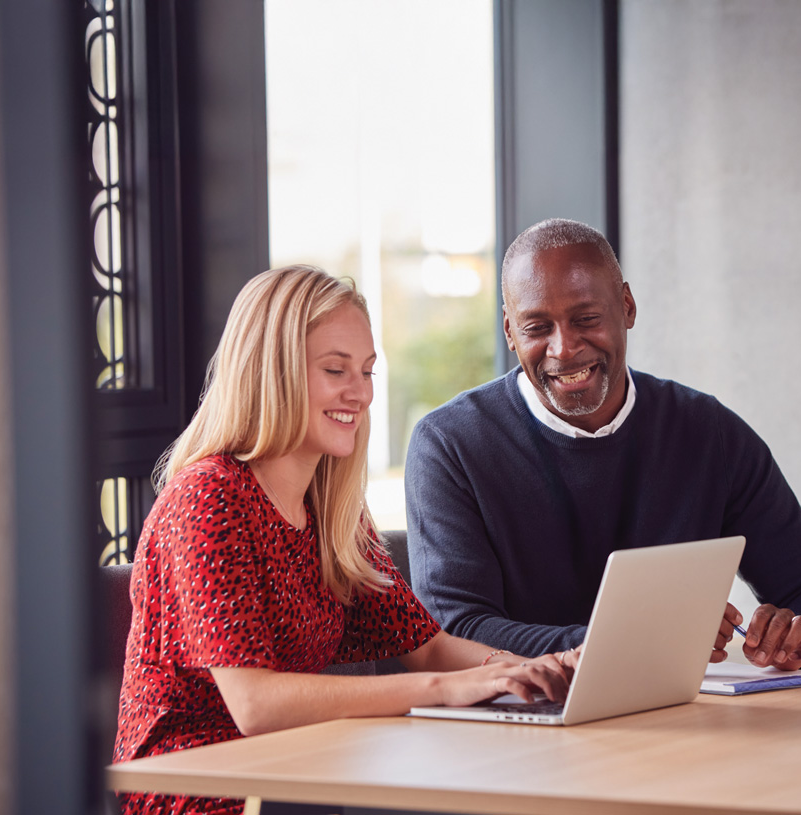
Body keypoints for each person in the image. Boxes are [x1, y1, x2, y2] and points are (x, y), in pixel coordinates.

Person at [112, 265, 577, 815]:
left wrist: (521, 669)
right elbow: (255, 705)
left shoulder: (329, 508)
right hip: (200, 788)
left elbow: (425, 645)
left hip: (296, 774)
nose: (360, 394)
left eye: (368, 371)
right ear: (271, 371)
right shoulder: (207, 498)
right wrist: (441, 689)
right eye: (336, 370)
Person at [405, 218, 801, 672]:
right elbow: (455, 631)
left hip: (673, 720)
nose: (563, 349)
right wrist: (638, 639)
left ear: (627, 307)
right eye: (537, 327)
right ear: (509, 330)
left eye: (586, 319)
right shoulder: (449, 445)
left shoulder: (708, 433)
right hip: (517, 730)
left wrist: (796, 635)